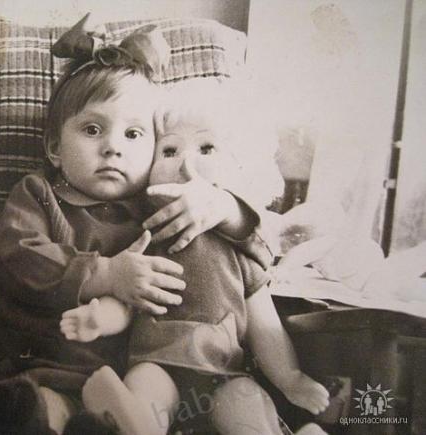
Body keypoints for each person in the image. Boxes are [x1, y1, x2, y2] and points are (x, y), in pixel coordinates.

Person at [0, 15, 271, 435]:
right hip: (37, 362)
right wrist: (107, 274)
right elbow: (19, 259)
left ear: (154, 149)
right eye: (93, 129)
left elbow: (249, 252)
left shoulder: (157, 206)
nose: (112, 146)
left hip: (125, 382)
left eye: (133, 134)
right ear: (55, 147)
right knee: (38, 411)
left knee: (115, 415)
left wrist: (224, 207)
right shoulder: (38, 194)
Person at [60, 86, 330, 435]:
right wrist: (101, 318)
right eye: (169, 150)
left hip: (226, 374)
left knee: (245, 405)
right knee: (146, 387)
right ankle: (132, 422)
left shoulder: (237, 249)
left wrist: (289, 378)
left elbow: (264, 325)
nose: (185, 163)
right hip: (157, 363)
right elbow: (128, 296)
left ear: (241, 165)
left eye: (206, 148)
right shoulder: (145, 235)